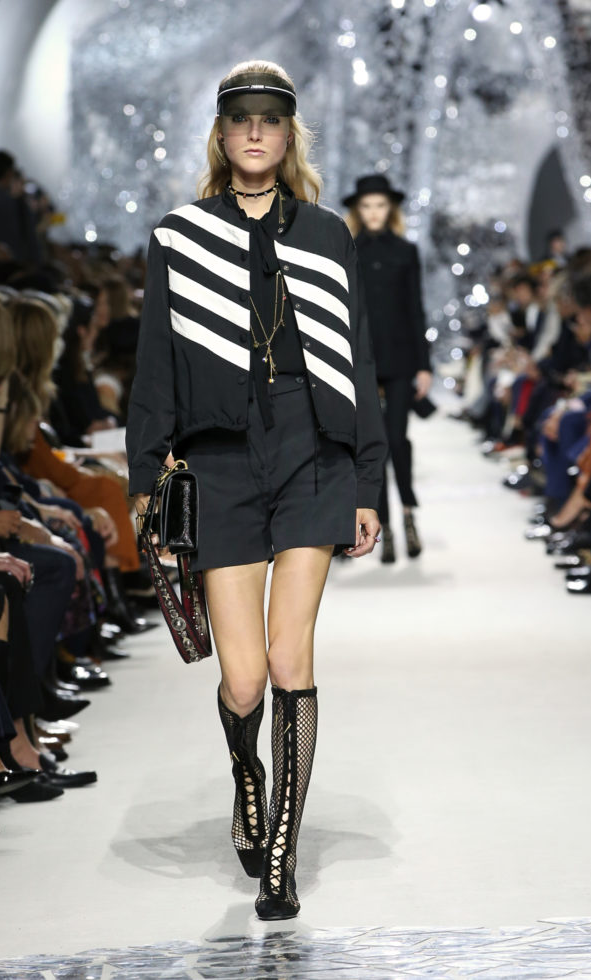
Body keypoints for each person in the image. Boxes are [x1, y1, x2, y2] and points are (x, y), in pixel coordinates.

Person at [127, 60, 386, 920]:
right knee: (241, 681)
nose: (254, 131)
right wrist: (145, 482)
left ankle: (282, 853)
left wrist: (368, 480)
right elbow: (154, 366)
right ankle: (247, 773)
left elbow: (356, 358)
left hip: (312, 452)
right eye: (240, 118)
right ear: (221, 131)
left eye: (269, 119)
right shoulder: (179, 237)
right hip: (220, 461)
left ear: (287, 134)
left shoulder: (326, 234)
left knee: (287, 660)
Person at [343, 173, 432, 563]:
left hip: (399, 360)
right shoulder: (347, 250)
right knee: (372, 446)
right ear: (358, 210)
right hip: (361, 360)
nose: (374, 212)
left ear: (390, 209)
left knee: (396, 439)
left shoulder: (406, 251)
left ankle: (408, 513)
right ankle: (386, 527)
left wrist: (424, 366)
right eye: (367, 206)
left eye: (380, 205)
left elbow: (415, 309)